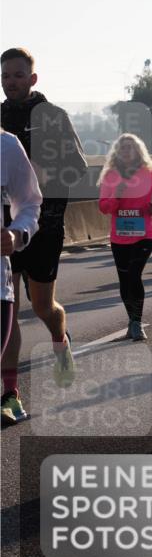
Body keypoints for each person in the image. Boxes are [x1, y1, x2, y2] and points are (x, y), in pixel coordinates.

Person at [1, 47, 88, 395]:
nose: (10, 82)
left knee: (42, 306)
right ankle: (10, 393)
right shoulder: (0, 119)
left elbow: (78, 168)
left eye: (18, 75)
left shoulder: (53, 116)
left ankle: (60, 339)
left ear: (32, 78)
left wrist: (45, 172)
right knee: (9, 309)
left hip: (45, 225)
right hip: (7, 228)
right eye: (5, 76)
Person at [97, 134, 152, 341]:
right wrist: (117, 195)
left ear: (138, 150)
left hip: (144, 234)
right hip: (120, 236)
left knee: (134, 274)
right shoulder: (110, 175)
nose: (126, 151)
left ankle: (136, 322)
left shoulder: (150, 172)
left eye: (130, 148)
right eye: (123, 148)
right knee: (125, 279)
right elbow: (103, 207)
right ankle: (131, 320)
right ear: (117, 152)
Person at [0, 130, 42, 424]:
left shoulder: (6, 145)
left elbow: (29, 203)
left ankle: (10, 392)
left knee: (44, 306)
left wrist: (16, 234)